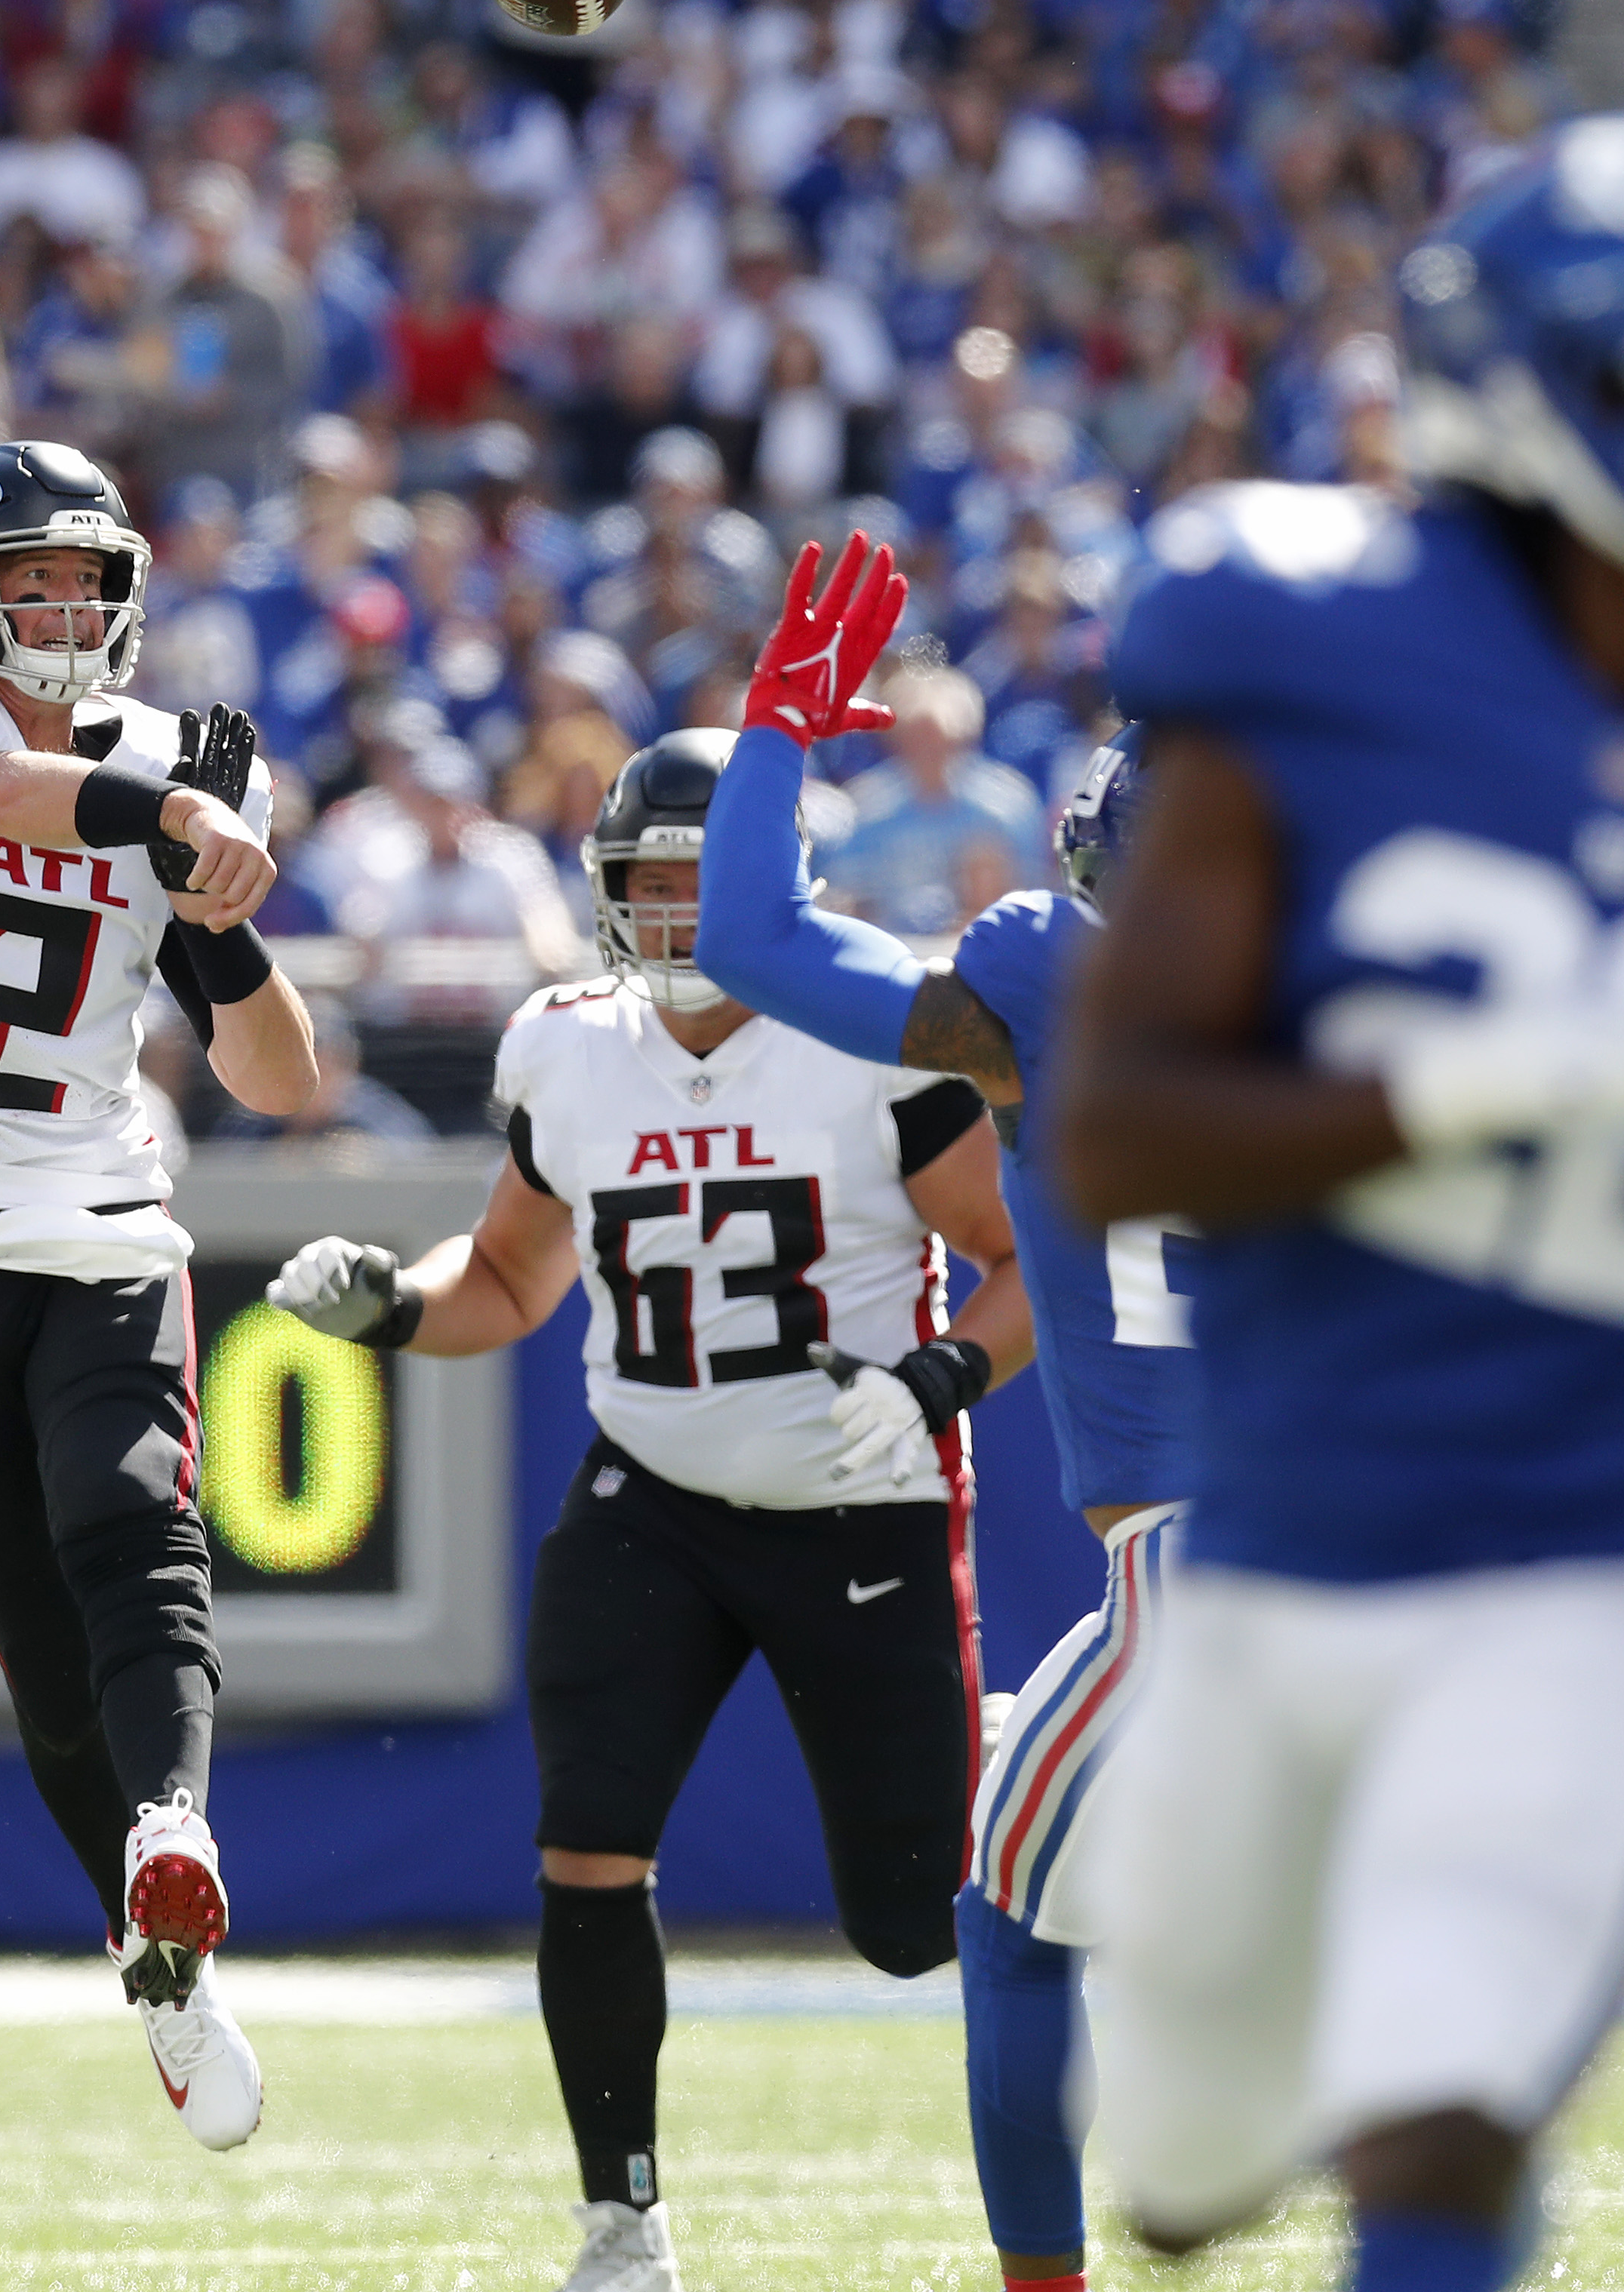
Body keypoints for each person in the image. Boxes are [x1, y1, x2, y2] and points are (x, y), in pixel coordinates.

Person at [702, 112, 1624, 2292]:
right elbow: (1148, 1131)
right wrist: (1504, 1078)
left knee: (1449, 2100)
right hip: (1288, 1532)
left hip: (1543, 1542)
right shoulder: (1292, 644)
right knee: (1196, 2129)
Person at [271, 728, 1026, 2292]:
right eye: (649, 889)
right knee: (588, 1842)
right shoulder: (565, 1044)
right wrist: (390, 1313)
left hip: (862, 1496)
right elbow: (505, 1278)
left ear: (777, 889)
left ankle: (1010, 1749)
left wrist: (941, 1377)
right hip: (654, 1494)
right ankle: (623, 2222)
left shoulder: (882, 1026)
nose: (675, 923)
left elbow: (1031, 1271)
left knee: (910, 1927)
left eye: (704, 886)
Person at [0, 438, 318, 2152]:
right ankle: (159, 1964)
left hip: (94, 1199)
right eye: (37, 575)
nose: (71, 607)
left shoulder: (166, 763)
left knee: (133, 1524)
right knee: (36, 1650)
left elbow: (279, 1075)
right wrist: (173, 818)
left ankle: (179, 1824)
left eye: (95, 580)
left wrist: (220, 909)